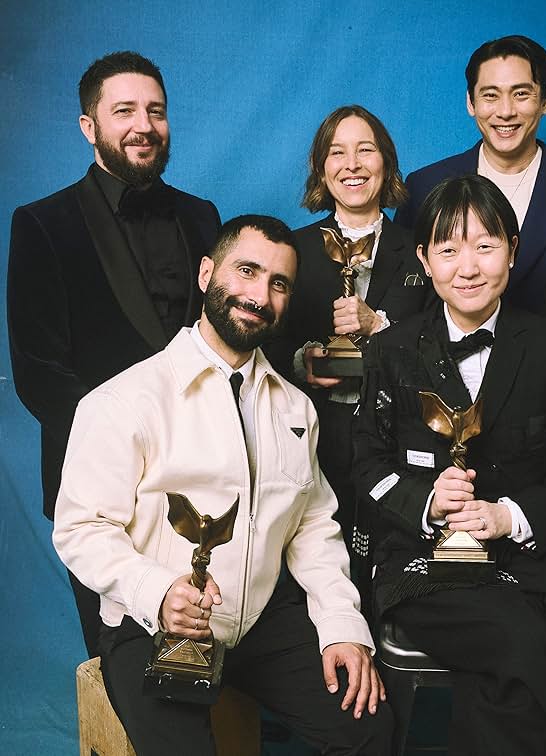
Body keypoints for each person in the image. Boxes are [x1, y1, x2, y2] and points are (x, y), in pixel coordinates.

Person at [52, 215, 392, 755]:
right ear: (208, 273)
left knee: (367, 725)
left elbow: (312, 525)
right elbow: (80, 528)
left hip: (259, 621)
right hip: (153, 626)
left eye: (279, 284)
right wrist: (157, 593)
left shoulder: (295, 406)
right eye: (247, 271)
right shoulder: (122, 401)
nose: (261, 295)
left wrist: (341, 625)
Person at [354, 175, 546, 755]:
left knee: (505, 678)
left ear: (513, 252)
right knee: (520, 640)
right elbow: (364, 465)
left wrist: (508, 516)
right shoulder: (391, 349)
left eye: (485, 246)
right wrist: (427, 502)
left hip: (525, 563)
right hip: (420, 568)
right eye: (448, 248)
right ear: (424, 259)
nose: (468, 267)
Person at [7, 51, 220, 658]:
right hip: (98, 485)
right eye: (123, 110)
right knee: (117, 665)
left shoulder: (202, 216)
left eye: (156, 110)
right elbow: (38, 374)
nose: (143, 125)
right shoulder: (41, 223)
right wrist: (131, 451)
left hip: (201, 476)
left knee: (206, 657)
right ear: (88, 125)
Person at [272, 105, 431, 556]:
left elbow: (439, 335)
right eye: (337, 153)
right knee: (316, 556)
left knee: (390, 557)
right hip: (315, 435)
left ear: (387, 162)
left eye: (366, 150)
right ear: (322, 169)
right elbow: (269, 342)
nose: (353, 165)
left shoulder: (421, 247)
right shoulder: (294, 249)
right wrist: (306, 363)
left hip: (400, 437)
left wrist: (375, 323)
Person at [394, 34, 546, 311]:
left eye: (521, 94)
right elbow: (402, 296)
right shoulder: (423, 187)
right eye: (490, 95)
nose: (505, 111)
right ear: (470, 102)